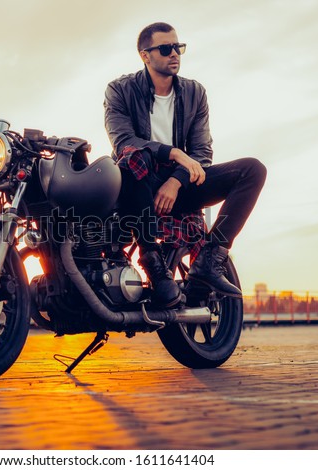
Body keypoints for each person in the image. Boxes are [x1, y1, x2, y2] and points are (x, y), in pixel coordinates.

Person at [104, 22, 267, 307]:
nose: (174, 54)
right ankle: (152, 260)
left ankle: (211, 258)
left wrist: (176, 180)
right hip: (139, 184)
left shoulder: (194, 93)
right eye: (165, 49)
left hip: (181, 184)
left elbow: (202, 151)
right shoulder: (120, 90)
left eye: (178, 47)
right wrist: (174, 153)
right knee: (134, 157)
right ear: (145, 55)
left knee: (253, 170)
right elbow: (123, 142)